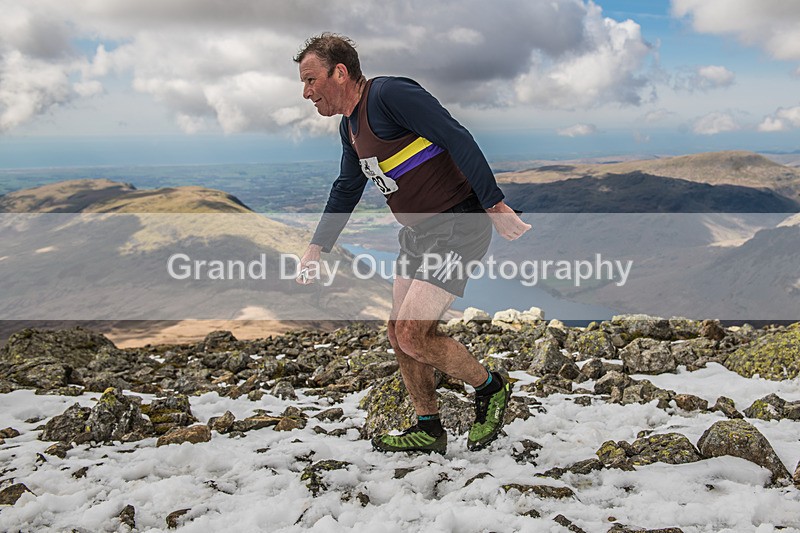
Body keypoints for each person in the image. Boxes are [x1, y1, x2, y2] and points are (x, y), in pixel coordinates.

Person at [293, 33, 531, 454]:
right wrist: (318, 247)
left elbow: (457, 137)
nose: (306, 92)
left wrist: (494, 203)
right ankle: (428, 427)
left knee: (413, 333)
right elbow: (347, 187)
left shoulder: (389, 94)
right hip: (419, 235)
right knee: (398, 332)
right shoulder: (350, 127)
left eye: (311, 80)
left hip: (458, 225)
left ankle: (490, 387)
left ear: (340, 72)